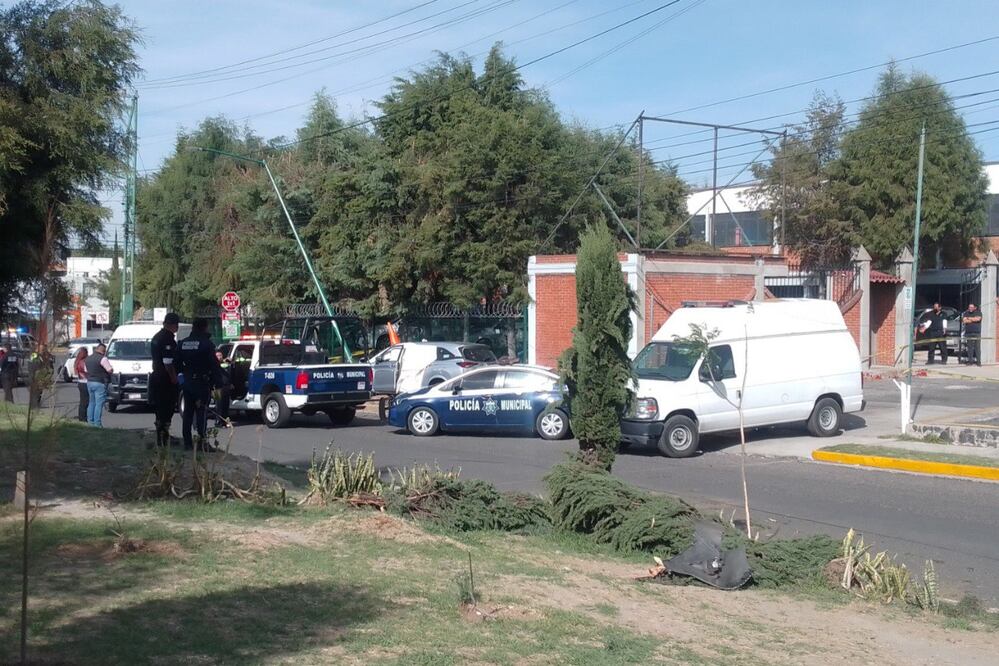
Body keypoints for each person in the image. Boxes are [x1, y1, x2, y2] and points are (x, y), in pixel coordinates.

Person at [177, 318, 223, 451]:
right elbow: (214, 366)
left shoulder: (183, 343)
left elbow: (177, 364)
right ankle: (202, 442)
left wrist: (182, 382)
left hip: (187, 383)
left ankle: (187, 443)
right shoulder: (206, 344)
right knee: (202, 412)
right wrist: (218, 384)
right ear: (204, 328)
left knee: (188, 414)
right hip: (201, 383)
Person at [150, 312, 181, 448]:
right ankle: (163, 437)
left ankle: (161, 436)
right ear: (174, 325)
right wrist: (174, 378)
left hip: (157, 377)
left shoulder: (156, 337)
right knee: (166, 409)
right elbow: (168, 362)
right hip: (165, 379)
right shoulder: (167, 339)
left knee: (159, 410)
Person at [85, 343, 113, 426]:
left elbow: (86, 370)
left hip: (89, 382)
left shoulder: (88, 358)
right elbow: (109, 369)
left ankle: (90, 422)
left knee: (91, 403)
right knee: (99, 404)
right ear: (103, 350)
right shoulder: (103, 359)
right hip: (100, 382)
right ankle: (97, 423)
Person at [28, 343, 53, 408]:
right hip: (34, 376)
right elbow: (32, 365)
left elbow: (50, 364)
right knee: (35, 392)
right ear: (38, 348)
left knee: (39, 392)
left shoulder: (44, 355)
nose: (43, 350)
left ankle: (37, 404)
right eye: (42, 349)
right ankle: (34, 406)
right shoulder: (34, 355)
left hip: (41, 377)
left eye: (44, 349)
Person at [213, 350, 233, 427]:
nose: (219, 357)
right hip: (216, 388)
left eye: (220, 355)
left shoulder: (226, 364)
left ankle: (225, 421)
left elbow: (229, 373)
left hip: (226, 387)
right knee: (218, 405)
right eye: (217, 356)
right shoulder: (214, 364)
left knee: (225, 405)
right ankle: (218, 422)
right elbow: (217, 365)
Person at [74, 346, 89, 422]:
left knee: (82, 401)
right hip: (86, 382)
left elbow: (76, 372)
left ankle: (81, 417)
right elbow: (87, 371)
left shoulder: (78, 361)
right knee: (86, 402)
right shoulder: (84, 362)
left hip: (80, 382)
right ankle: (84, 418)